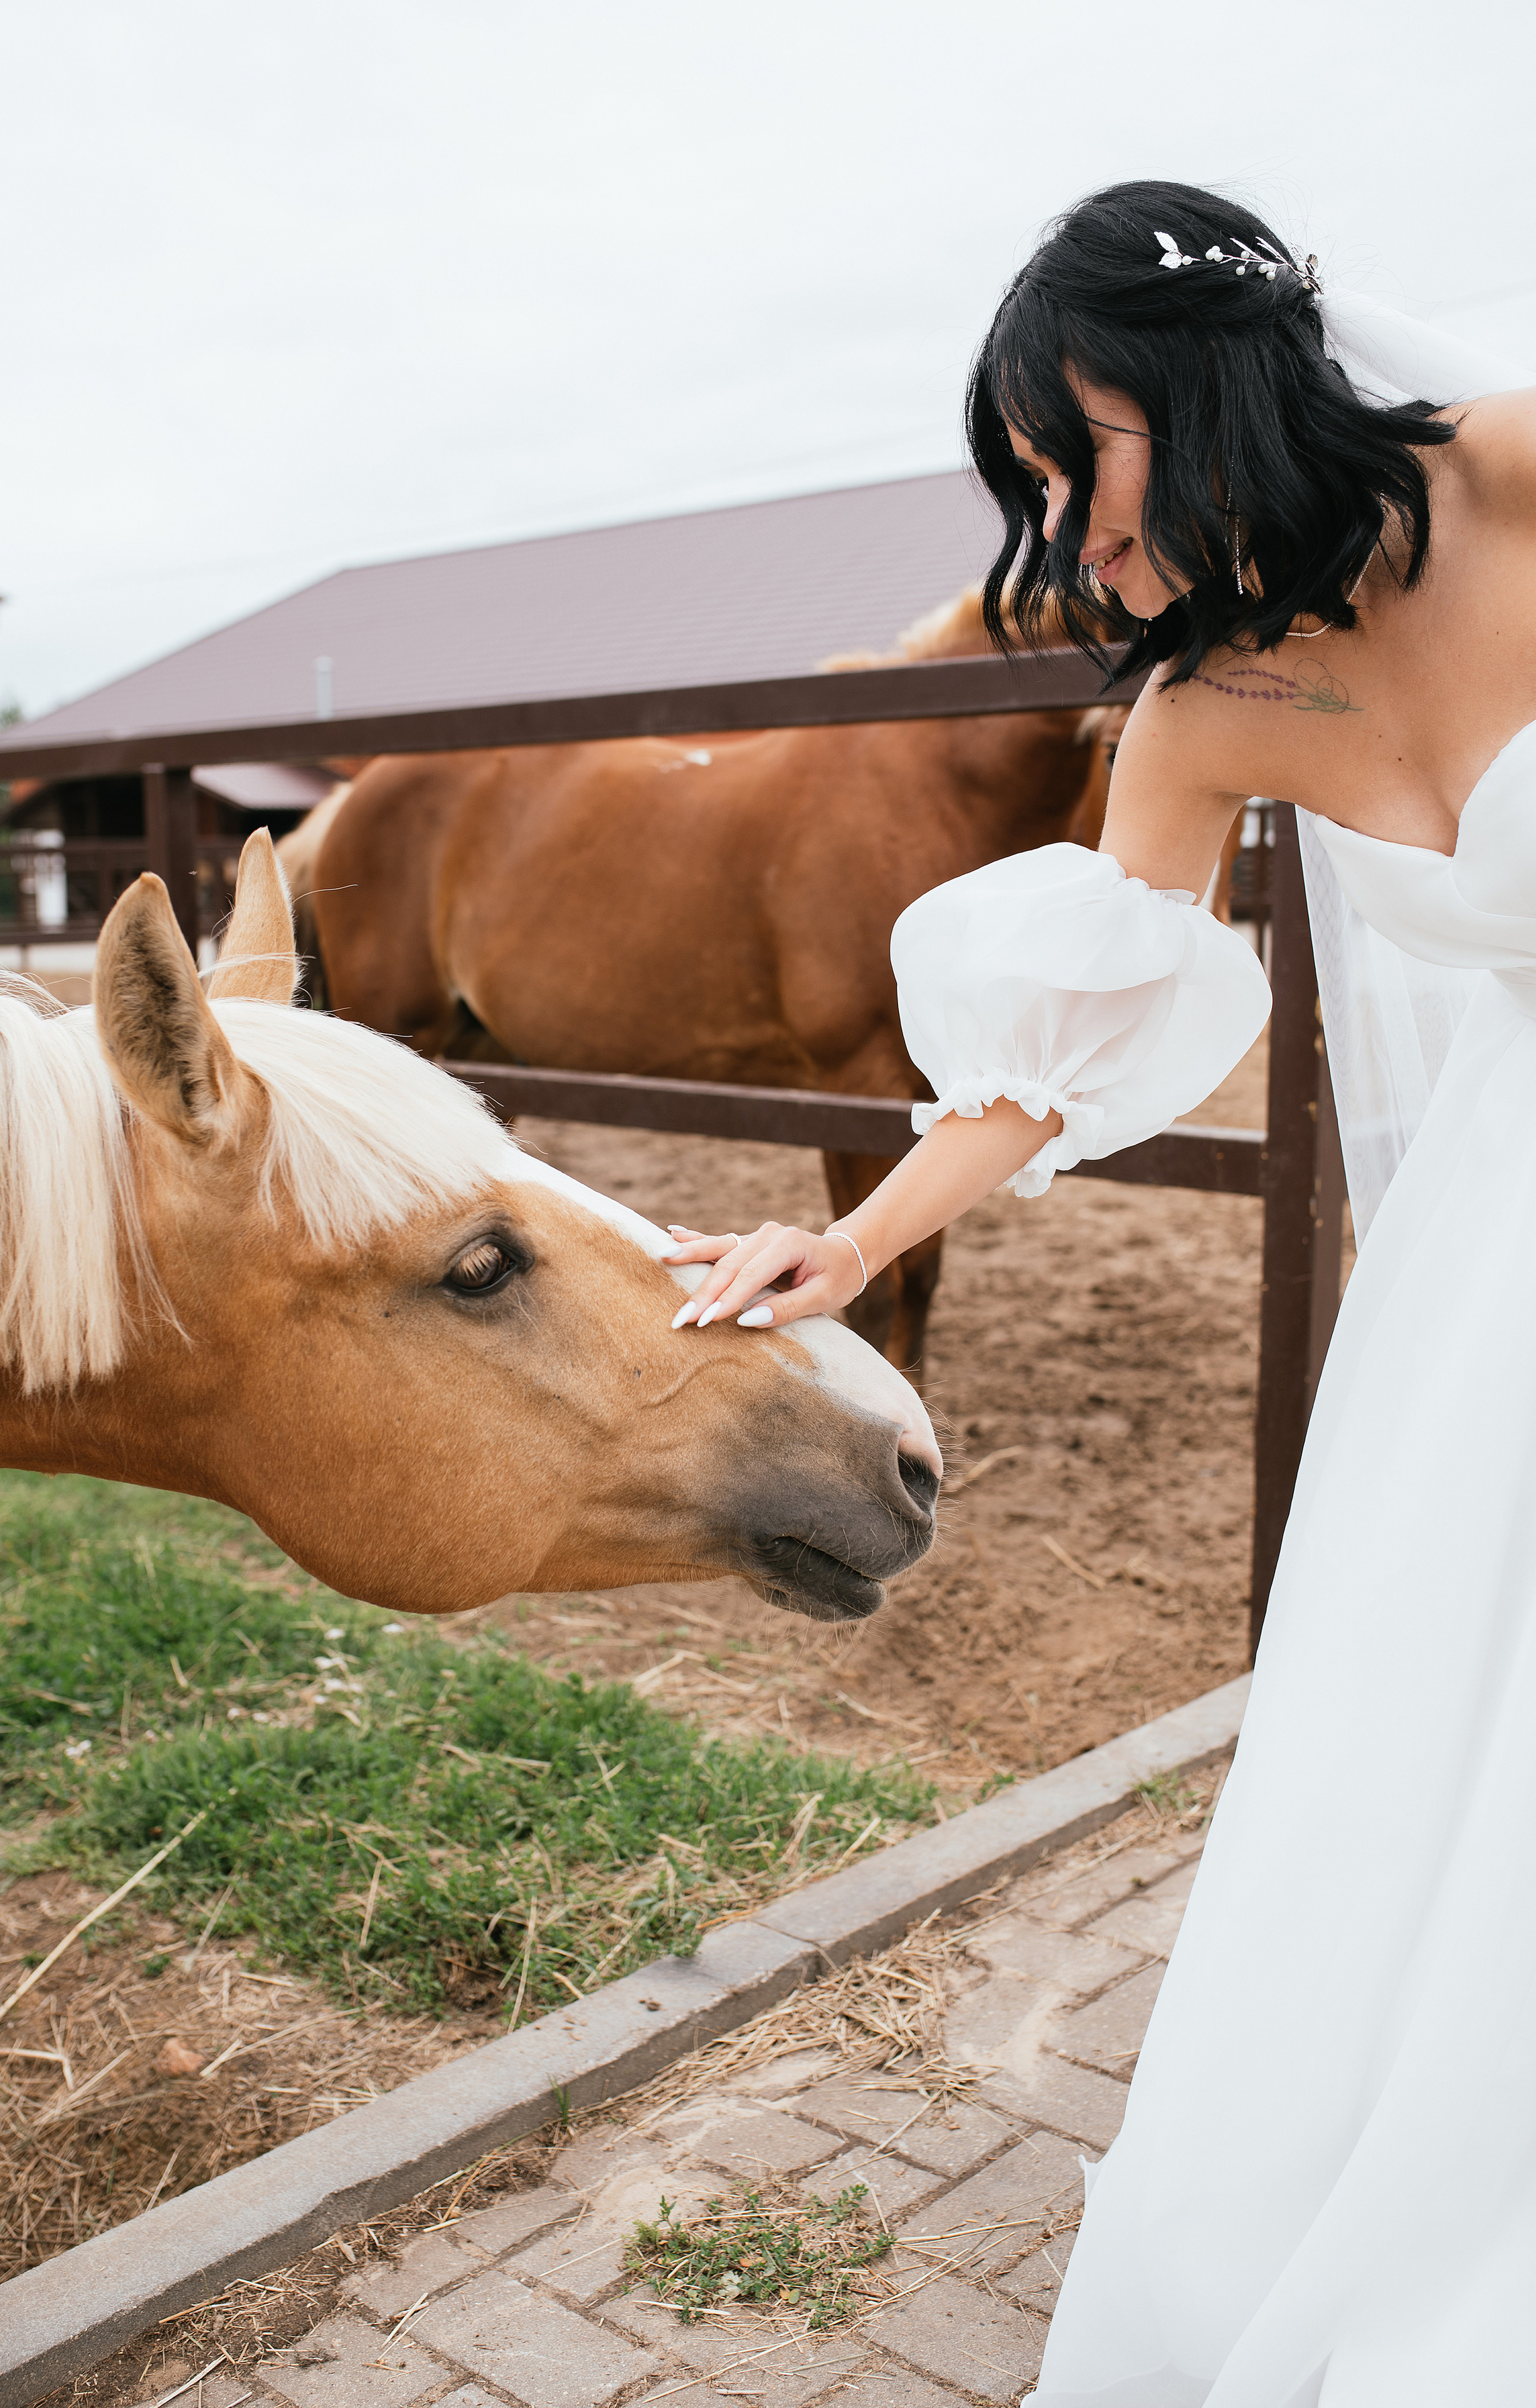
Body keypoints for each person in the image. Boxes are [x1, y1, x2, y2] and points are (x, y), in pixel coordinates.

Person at [663, 180, 1536, 2402]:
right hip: (1500, 1259)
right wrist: (853, 1243)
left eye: (1080, 463)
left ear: (1209, 384)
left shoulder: (1521, 470)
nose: (1066, 536)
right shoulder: (1211, 712)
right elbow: (1053, 1061)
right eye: (1031, 490)